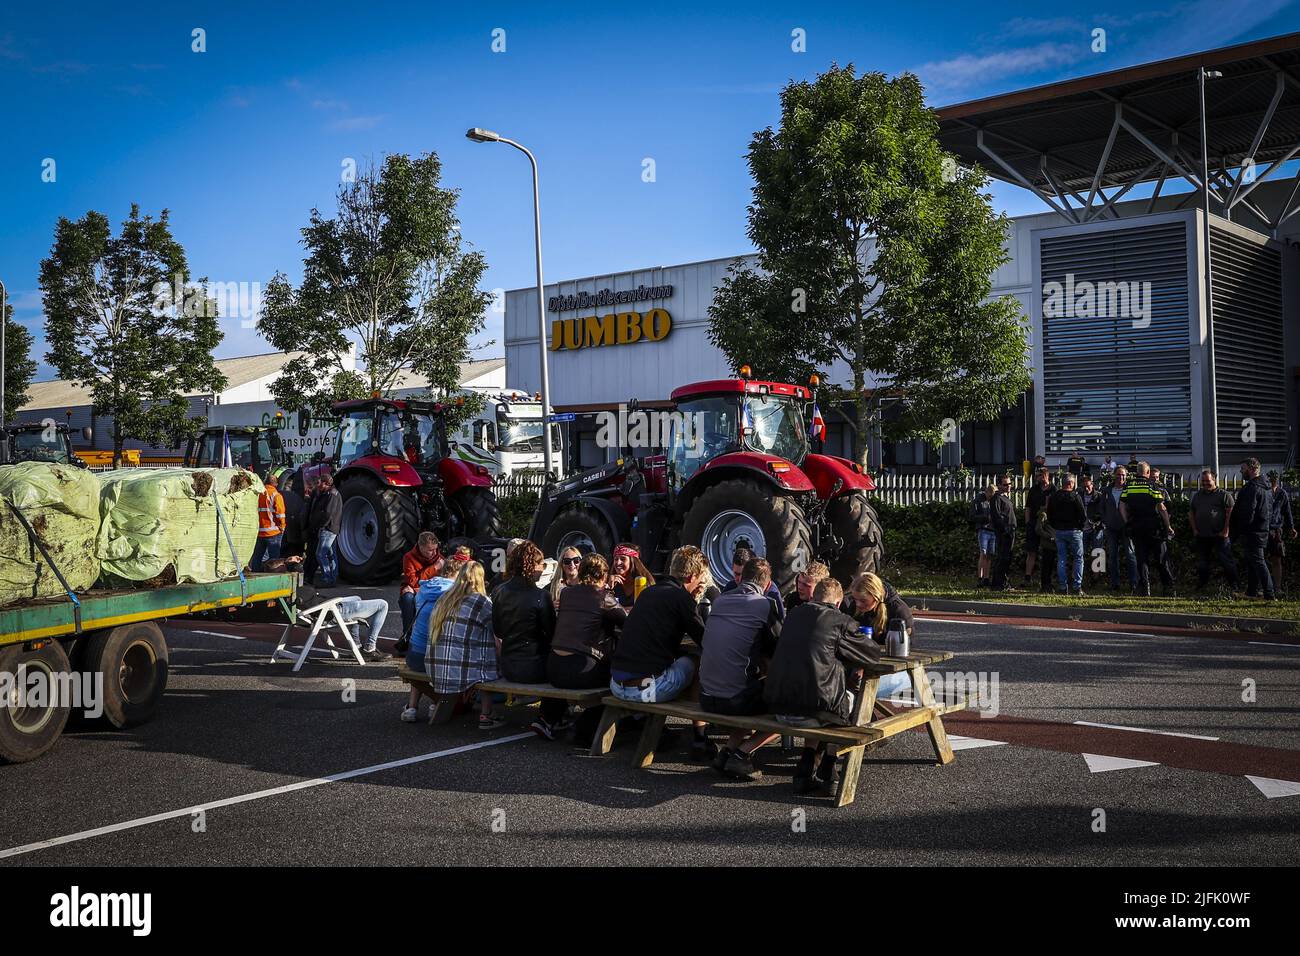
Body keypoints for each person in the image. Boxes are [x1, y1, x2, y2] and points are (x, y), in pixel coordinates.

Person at [765, 577, 880, 796]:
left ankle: (805, 768)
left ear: (814, 597)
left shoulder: (793, 615)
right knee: (846, 703)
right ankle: (829, 767)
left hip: (779, 707)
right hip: (812, 710)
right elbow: (871, 655)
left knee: (819, 699)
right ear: (838, 603)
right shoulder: (840, 621)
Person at [699, 558, 784, 780]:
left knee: (743, 683)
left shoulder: (719, 601)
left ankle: (727, 751)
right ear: (767, 585)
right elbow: (780, 645)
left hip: (706, 698)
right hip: (736, 701)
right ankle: (742, 753)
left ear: (741, 578)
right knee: (791, 707)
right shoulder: (764, 605)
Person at [609, 544, 708, 710]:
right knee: (698, 660)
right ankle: (698, 728)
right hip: (647, 691)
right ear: (692, 577)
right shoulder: (682, 598)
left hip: (617, 686)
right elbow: (706, 642)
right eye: (700, 578)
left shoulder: (647, 593)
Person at [549, 554, 629, 745]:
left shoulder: (566, 593)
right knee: (618, 681)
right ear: (603, 575)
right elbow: (628, 623)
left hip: (553, 668)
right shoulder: (603, 598)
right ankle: (586, 728)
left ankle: (549, 717)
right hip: (582, 669)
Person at [491, 540, 566, 739]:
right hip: (535, 666)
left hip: (508, 665)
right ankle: (551, 718)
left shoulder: (499, 591)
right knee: (567, 669)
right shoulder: (541, 596)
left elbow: (498, 629)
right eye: (541, 564)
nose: (543, 568)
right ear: (531, 565)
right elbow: (552, 634)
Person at [428, 561, 503, 729]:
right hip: (457, 669)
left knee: (476, 636)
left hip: (435, 666)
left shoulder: (444, 598)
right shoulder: (481, 601)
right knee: (486, 642)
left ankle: (437, 704)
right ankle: (487, 712)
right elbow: (498, 628)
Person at [291, 574, 393, 664]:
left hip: (325, 609)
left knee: (357, 598)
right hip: (332, 610)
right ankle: (369, 648)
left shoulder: (288, 596)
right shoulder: (300, 592)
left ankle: (356, 646)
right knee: (383, 605)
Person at [846, 572, 915, 700]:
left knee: (860, 688)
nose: (858, 604)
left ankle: (859, 716)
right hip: (862, 665)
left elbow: (904, 652)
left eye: (863, 600)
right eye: (855, 599)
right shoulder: (854, 608)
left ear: (876, 596)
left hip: (897, 670)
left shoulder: (898, 611)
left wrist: (866, 667)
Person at [1120, 461, 1175, 597]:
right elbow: (1162, 508)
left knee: (1142, 559)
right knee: (1161, 557)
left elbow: (1121, 505)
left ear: (1137, 472)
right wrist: (1168, 526)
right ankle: (1168, 588)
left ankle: (1145, 589)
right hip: (1153, 527)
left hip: (1136, 527)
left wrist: (1127, 521)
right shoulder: (1152, 486)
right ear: (1148, 472)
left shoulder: (1129, 486)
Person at [1230, 458, 1275, 600]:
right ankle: (1251, 592)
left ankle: (1269, 594)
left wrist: (1238, 531)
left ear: (1251, 468)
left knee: (1258, 561)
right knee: (1252, 561)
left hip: (1253, 531)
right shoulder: (1266, 487)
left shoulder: (1252, 488)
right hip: (1262, 529)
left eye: (1243, 469)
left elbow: (1247, 512)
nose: (1241, 471)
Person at [1188, 469, 1237, 595]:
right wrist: (1194, 529)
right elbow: (1191, 513)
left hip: (1219, 535)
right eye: (1203, 481)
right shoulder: (1198, 495)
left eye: (1208, 481)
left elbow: (1230, 513)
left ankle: (1234, 586)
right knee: (1202, 563)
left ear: (1214, 480)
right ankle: (1202, 586)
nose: (1205, 483)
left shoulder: (1223, 495)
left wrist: (1226, 530)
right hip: (1202, 535)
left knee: (1226, 561)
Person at [1096, 466, 1138, 592]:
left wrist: (1130, 521)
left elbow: (1134, 507)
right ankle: (1115, 584)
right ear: (1115, 475)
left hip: (1126, 527)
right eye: (1119, 475)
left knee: (1130, 555)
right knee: (1112, 556)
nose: (1121, 477)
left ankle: (1134, 583)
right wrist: (1105, 520)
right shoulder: (1107, 490)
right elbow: (1101, 508)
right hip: (1111, 528)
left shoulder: (1130, 490)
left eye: (1123, 475)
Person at [1046, 473, 1087, 595]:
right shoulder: (1075, 496)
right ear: (1070, 483)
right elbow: (1083, 515)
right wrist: (1080, 527)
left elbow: (1049, 514)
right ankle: (1077, 586)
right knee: (1078, 559)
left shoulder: (1054, 497)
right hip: (1074, 530)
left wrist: (1055, 526)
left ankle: (1063, 586)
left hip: (1059, 530)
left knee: (1062, 559)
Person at [720, 546, 786, 617]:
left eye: (744, 574)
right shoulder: (730, 588)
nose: (739, 579)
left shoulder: (771, 592)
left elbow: (780, 622)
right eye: (736, 574)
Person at [400, 532, 443, 636]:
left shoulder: (439, 558)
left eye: (435, 549)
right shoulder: (409, 557)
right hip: (414, 591)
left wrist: (418, 588)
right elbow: (412, 581)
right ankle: (407, 636)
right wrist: (434, 569)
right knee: (407, 598)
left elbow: (443, 580)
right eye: (430, 550)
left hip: (431, 590)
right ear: (421, 547)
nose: (434, 553)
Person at [307, 474, 342, 587]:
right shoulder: (329, 494)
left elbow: (328, 514)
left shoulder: (331, 495)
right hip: (332, 528)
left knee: (320, 554)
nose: (317, 485)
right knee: (331, 554)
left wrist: (321, 526)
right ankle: (332, 578)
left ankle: (327, 578)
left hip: (328, 529)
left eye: (319, 483)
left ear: (325, 483)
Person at [1023, 467, 1053, 586]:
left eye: (1039, 475)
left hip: (1047, 525)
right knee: (1031, 551)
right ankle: (1027, 577)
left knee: (1048, 552)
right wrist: (1028, 522)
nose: (1037, 478)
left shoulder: (1053, 490)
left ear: (1046, 476)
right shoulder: (1033, 490)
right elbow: (1028, 507)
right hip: (1033, 523)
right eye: (1036, 476)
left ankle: (1046, 579)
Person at [1267, 472, 1295, 596]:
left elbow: (1287, 512)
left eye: (1274, 480)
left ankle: (1277, 587)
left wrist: (1291, 528)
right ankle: (1264, 586)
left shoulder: (1282, 494)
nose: (1272, 482)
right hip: (1263, 529)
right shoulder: (1263, 492)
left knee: (1276, 559)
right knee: (1260, 559)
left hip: (1276, 529)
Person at [252, 474, 287, 571]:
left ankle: (255, 573)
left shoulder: (258, 494)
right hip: (273, 532)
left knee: (257, 557)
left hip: (259, 532)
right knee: (274, 560)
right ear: (275, 484)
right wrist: (282, 527)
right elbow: (280, 514)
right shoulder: (276, 495)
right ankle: (272, 576)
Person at [989, 474, 1017, 591]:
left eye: (1009, 484)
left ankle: (1003, 581)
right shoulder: (996, 498)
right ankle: (998, 583)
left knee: (1007, 558)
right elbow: (996, 516)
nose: (1008, 486)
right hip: (1004, 533)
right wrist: (1004, 529)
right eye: (1005, 484)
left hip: (1010, 531)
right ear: (999, 485)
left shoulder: (1005, 497)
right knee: (1002, 557)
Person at [608, 543, 655, 607]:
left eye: (623, 559)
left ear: (633, 561)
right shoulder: (612, 582)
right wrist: (608, 588)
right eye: (616, 559)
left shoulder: (644, 583)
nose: (618, 563)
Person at [970, 484, 996, 587]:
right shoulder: (978, 500)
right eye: (990, 497)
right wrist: (985, 518)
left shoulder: (994, 499)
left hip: (993, 530)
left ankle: (986, 577)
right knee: (983, 553)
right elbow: (972, 516)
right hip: (983, 529)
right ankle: (980, 577)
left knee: (989, 555)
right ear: (987, 493)